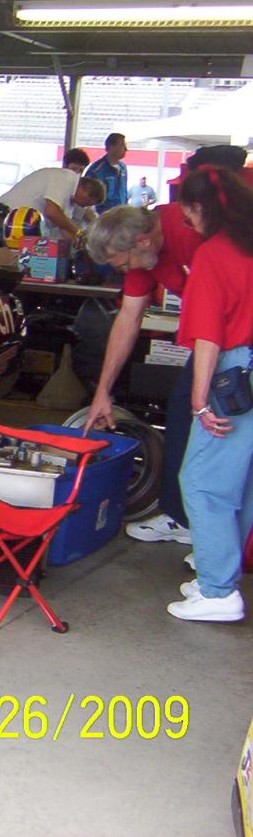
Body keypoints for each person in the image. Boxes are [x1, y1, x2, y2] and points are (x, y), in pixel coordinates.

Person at [83, 201, 204, 546]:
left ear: (142, 241)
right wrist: (102, 393)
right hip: (215, 336)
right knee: (183, 411)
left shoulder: (190, 229)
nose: (124, 270)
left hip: (239, 330)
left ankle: (225, 536)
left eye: (122, 264)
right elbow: (128, 318)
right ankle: (183, 516)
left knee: (223, 422)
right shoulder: (140, 254)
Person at [167, 166, 253, 622]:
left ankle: (219, 591)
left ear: (200, 207)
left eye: (188, 216)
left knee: (202, 481)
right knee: (242, 484)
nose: (188, 224)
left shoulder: (214, 254)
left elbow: (208, 336)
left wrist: (199, 401)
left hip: (237, 374)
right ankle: (217, 577)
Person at [0, 149, 99, 258]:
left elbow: (63, 226)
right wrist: (77, 233)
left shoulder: (69, 194)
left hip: (22, 227)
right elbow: (51, 212)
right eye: (74, 169)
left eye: (81, 170)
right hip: (5, 220)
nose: (77, 173)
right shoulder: (63, 178)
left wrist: (79, 249)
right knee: (1, 262)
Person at [85, 133, 129, 212]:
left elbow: (124, 193)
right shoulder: (97, 170)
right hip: (103, 215)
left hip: (121, 214)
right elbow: (87, 197)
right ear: (111, 147)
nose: (126, 149)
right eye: (122, 145)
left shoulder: (123, 168)